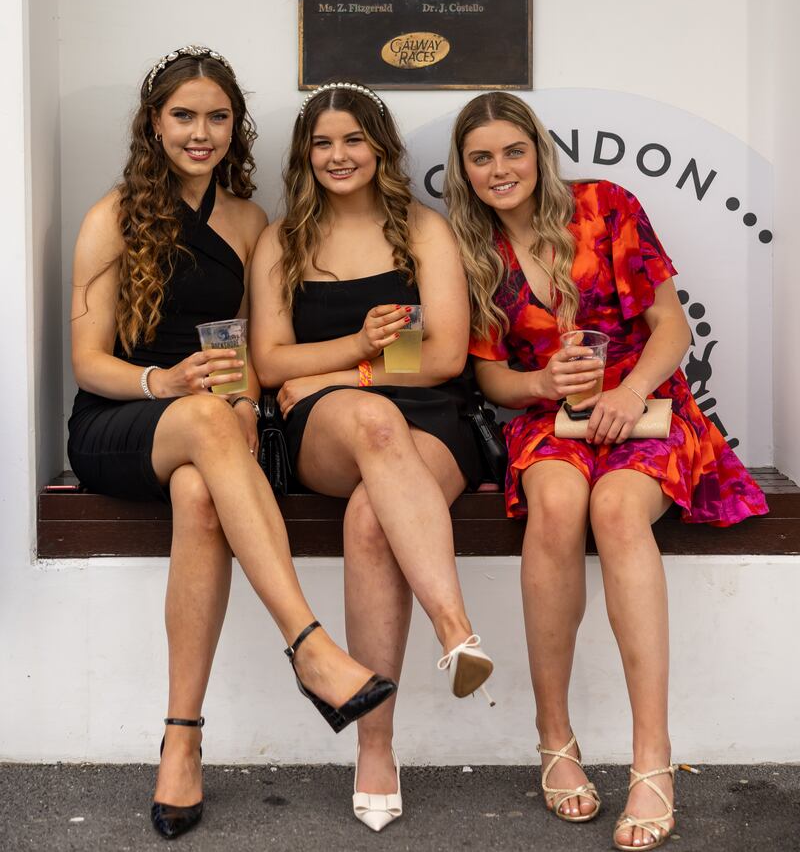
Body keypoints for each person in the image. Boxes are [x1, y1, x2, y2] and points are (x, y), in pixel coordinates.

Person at [67, 49, 396, 842]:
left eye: (217, 117)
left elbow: (245, 352)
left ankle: (181, 739)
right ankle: (309, 644)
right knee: (207, 426)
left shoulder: (249, 223)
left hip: (209, 426)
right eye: (184, 115)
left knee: (200, 494)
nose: (201, 132)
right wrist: (165, 382)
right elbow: (88, 362)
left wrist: (246, 401)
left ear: (235, 129)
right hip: (121, 419)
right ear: (154, 123)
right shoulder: (112, 216)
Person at [444, 91, 768, 850]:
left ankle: (651, 756)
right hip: (550, 416)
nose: (500, 169)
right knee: (558, 503)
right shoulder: (469, 249)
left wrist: (630, 389)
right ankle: (554, 737)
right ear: (463, 169)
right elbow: (490, 377)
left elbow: (671, 325)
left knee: (617, 510)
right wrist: (540, 382)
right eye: (482, 157)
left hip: (646, 404)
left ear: (539, 151)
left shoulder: (605, 206)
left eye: (513, 151)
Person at [250, 81, 494, 833]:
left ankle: (375, 748)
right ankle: (455, 628)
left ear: (380, 147)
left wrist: (337, 372)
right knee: (374, 422)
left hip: (428, 416)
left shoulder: (421, 229)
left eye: (353, 139)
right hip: (327, 425)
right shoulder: (282, 240)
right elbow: (269, 361)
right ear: (304, 155)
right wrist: (355, 353)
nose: (338, 155)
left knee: (369, 518)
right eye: (322, 143)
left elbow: (444, 357)